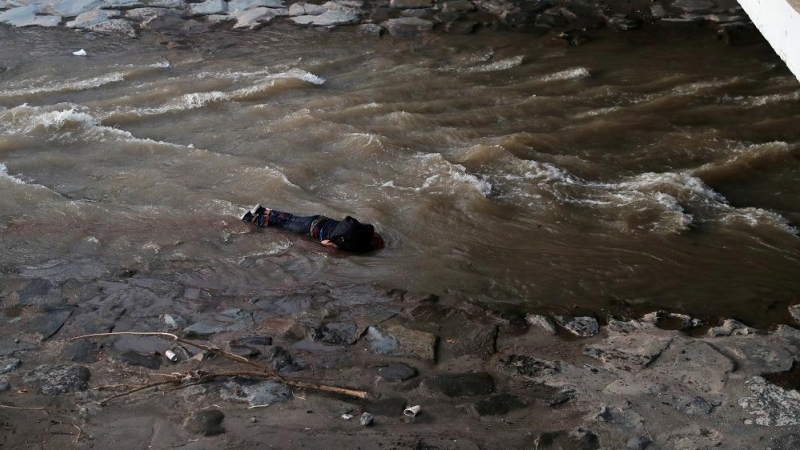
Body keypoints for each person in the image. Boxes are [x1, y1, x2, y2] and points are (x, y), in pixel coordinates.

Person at [241, 205, 385, 252]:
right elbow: (324, 243)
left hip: (320, 219)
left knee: (291, 217)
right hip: (311, 229)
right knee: (283, 224)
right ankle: (251, 218)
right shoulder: (350, 243)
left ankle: (264, 210)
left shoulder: (361, 230)